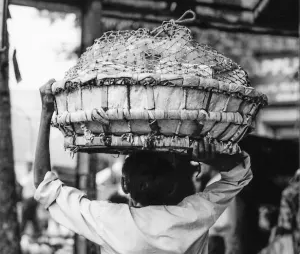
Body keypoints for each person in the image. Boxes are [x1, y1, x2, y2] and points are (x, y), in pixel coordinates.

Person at [34, 79, 253, 254]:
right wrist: (208, 157)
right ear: (172, 187)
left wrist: (46, 112)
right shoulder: (194, 215)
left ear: (124, 185)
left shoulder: (108, 219)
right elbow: (238, 173)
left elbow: (43, 185)